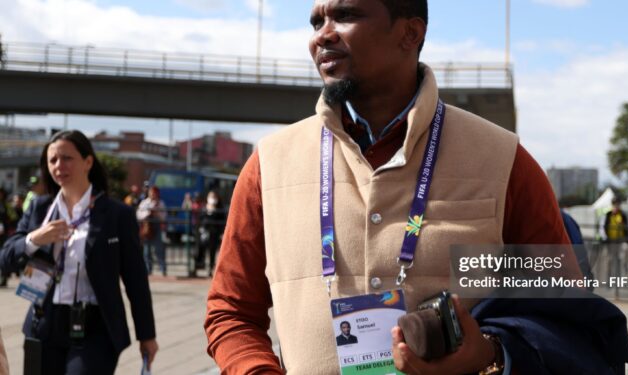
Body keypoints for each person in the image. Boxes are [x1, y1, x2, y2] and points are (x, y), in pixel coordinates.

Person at [204, 1, 584, 374]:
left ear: (410, 33)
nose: (323, 35)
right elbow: (230, 312)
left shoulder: (505, 162)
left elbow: (568, 318)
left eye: (346, 15)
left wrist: (490, 353)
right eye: (316, 22)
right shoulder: (268, 166)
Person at [0, 130, 158, 374]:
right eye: (52, 160)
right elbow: (6, 259)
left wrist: (146, 335)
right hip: (45, 322)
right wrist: (35, 238)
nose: (58, 166)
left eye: (67, 158)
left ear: (88, 161)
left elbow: (136, 279)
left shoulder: (117, 214)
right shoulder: (40, 208)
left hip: (96, 327)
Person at [598, 196, 628, 277]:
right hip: (610, 241)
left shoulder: (624, 215)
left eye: (618, 204)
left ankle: (625, 266)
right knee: (609, 259)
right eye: (614, 204)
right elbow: (601, 228)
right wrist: (604, 237)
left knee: (626, 251)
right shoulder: (607, 215)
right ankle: (609, 277)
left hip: (621, 240)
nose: (616, 205)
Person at [137, 186, 167, 276]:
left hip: (156, 227)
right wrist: (148, 212)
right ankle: (148, 269)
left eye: (154, 192)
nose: (152, 194)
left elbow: (164, 216)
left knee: (159, 249)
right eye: (151, 192)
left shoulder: (161, 203)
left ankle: (163, 269)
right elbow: (139, 214)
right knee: (147, 250)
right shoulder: (144, 203)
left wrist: (157, 212)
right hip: (147, 227)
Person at [194, 191, 225, 277]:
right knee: (200, 250)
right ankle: (198, 267)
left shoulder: (219, 210)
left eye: (214, 197)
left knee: (212, 252)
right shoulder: (204, 208)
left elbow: (222, 222)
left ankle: (210, 269)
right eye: (211, 197)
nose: (212, 199)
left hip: (214, 234)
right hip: (204, 234)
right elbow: (199, 221)